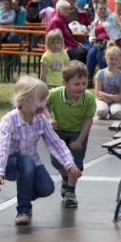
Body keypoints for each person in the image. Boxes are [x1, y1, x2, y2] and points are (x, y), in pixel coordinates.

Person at [0, 76, 81, 225]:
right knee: (26, 162)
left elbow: (55, 142)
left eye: (45, 99)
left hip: (32, 162)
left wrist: (69, 164)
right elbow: (2, 146)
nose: (44, 103)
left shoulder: (40, 119)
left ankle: (24, 195)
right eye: (41, 99)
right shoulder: (9, 120)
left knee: (47, 188)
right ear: (26, 101)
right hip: (10, 165)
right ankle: (23, 210)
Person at [44, 61, 95, 208]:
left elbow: (88, 120)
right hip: (58, 132)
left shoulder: (88, 98)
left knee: (74, 163)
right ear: (64, 83)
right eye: (76, 84)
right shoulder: (54, 94)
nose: (81, 87)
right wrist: (49, 117)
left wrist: (80, 140)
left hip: (78, 132)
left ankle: (70, 192)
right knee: (56, 161)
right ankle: (65, 178)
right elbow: (44, 104)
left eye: (84, 83)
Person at [86, 0, 121, 80]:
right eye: (100, 9)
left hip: (112, 43)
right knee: (91, 54)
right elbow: (91, 36)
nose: (103, 10)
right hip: (99, 44)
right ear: (96, 10)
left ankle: (105, 78)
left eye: (104, 8)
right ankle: (89, 78)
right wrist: (93, 40)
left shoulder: (113, 17)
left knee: (101, 55)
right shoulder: (95, 22)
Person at [46, 0, 88, 64]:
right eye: (65, 9)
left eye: (68, 9)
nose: (67, 11)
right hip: (57, 47)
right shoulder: (56, 21)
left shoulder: (63, 19)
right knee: (80, 53)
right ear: (58, 10)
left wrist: (77, 43)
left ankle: (80, 72)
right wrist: (75, 45)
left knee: (86, 51)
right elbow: (60, 39)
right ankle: (70, 72)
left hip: (65, 45)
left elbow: (70, 36)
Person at [94, 42, 121, 120]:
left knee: (118, 114)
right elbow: (98, 92)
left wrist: (114, 99)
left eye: (116, 59)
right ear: (106, 58)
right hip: (103, 99)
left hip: (116, 101)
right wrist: (111, 98)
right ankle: (105, 109)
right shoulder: (100, 73)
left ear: (120, 59)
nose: (114, 61)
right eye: (111, 59)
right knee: (101, 112)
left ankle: (112, 111)